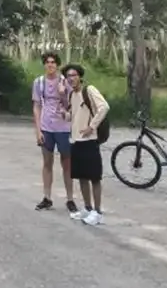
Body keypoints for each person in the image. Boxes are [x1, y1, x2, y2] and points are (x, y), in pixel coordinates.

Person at [63, 63, 109, 226]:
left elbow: (103, 107)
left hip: (89, 140)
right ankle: (88, 209)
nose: (71, 79)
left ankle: (97, 212)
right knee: (81, 177)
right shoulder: (72, 95)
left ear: (80, 76)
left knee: (94, 177)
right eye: (68, 76)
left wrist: (92, 126)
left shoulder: (88, 90)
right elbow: (73, 116)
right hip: (76, 141)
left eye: (74, 75)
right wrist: (65, 114)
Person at [32, 51, 77, 213]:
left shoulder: (65, 82)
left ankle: (70, 198)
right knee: (47, 162)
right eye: (47, 62)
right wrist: (38, 130)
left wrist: (62, 93)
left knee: (67, 163)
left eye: (53, 62)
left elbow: (72, 104)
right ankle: (47, 197)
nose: (50, 65)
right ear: (44, 65)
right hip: (46, 126)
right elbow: (37, 106)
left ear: (57, 65)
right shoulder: (39, 82)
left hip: (63, 127)